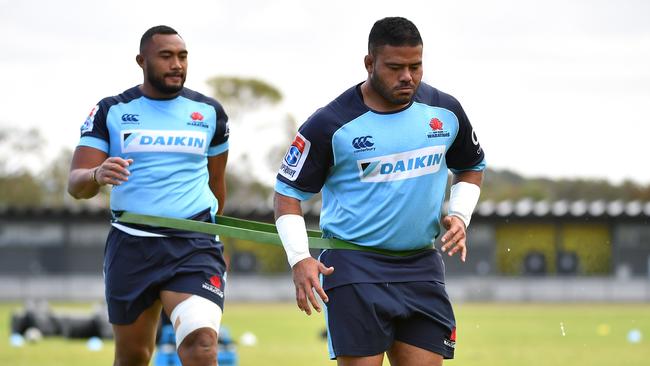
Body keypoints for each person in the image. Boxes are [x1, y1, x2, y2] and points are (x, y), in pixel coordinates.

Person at [274, 17, 485, 366]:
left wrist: (460, 216)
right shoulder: (331, 123)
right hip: (354, 266)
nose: (408, 76)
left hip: (421, 265)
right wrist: (300, 259)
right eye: (395, 67)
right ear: (370, 64)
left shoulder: (445, 112)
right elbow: (287, 195)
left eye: (415, 66)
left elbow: (471, 167)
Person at [67, 25, 229, 366]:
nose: (177, 65)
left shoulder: (210, 113)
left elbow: (217, 184)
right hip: (132, 245)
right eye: (166, 56)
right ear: (142, 61)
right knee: (133, 357)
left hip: (193, 246)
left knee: (201, 344)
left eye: (182, 56)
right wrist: (97, 175)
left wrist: (216, 236)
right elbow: (76, 183)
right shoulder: (111, 110)